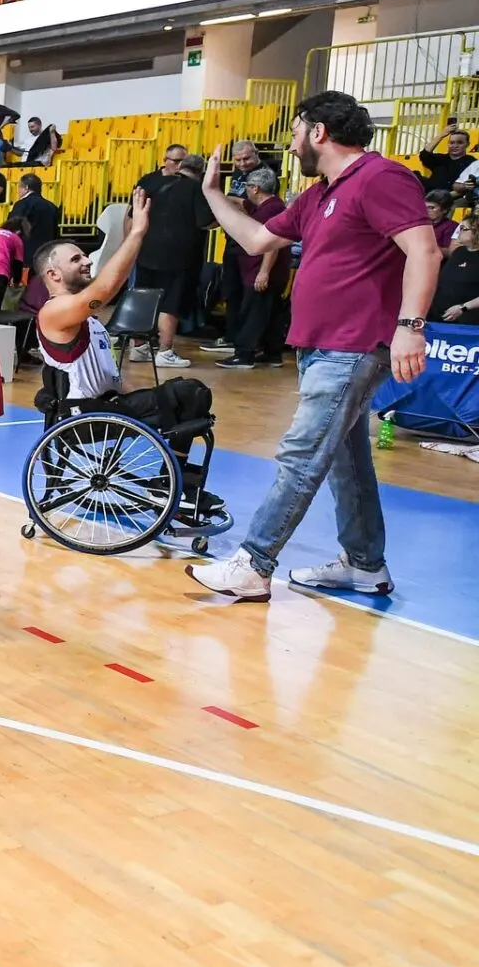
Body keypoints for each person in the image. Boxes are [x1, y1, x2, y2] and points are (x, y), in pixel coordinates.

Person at [187, 90, 440, 602]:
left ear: (318, 131)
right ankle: (365, 563)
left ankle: (254, 563)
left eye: (297, 129)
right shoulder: (321, 192)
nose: (293, 142)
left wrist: (410, 326)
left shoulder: (381, 177)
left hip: (352, 345)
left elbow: (424, 250)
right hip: (320, 346)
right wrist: (214, 195)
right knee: (348, 460)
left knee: (301, 455)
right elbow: (258, 240)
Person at [34, 190, 226, 528]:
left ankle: (172, 486)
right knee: (190, 392)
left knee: (190, 395)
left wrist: (147, 397)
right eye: (76, 259)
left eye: (85, 257)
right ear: (53, 275)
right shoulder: (54, 311)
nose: (87, 261)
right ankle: (174, 488)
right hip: (83, 417)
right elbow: (104, 290)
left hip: (107, 406)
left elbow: (111, 378)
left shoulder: (89, 322)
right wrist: (136, 233)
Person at [131, 143, 214, 368]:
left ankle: (138, 347)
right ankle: (165, 351)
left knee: (144, 298)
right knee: (170, 303)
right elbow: (205, 221)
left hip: (147, 249)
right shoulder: (195, 189)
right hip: (177, 255)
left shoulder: (156, 184)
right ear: (200, 171)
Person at [217, 168, 290, 370]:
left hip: (262, 271)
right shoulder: (265, 206)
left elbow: (272, 244)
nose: (245, 192)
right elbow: (240, 203)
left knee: (253, 312)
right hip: (263, 271)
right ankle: (272, 353)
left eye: (247, 187)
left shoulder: (272, 209)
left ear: (255, 188)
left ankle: (244, 354)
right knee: (272, 312)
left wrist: (263, 272)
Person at [434, 216, 479, 323]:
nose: (459, 231)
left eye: (463, 228)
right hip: (441, 316)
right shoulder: (458, 251)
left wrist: (463, 307)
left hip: (468, 320)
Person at [8, 173, 62, 258]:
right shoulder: (52, 206)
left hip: (26, 253)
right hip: (47, 253)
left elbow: (13, 228)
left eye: (19, 187)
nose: (18, 191)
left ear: (26, 187)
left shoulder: (22, 204)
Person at [418, 124, 472, 194]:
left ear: (467, 144)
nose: (455, 146)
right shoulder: (441, 158)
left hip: (450, 198)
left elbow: (469, 186)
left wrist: (447, 197)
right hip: (429, 193)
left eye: (460, 143)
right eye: (451, 143)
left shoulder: (471, 162)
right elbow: (424, 155)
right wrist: (442, 135)